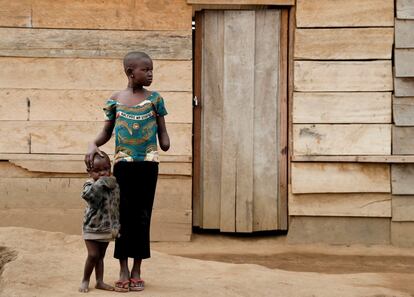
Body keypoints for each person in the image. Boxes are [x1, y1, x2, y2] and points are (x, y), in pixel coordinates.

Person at [84, 51, 170, 292]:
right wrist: (93, 144)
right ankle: (122, 267)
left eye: (152, 69)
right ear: (131, 72)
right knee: (121, 216)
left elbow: (162, 129)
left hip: (149, 165)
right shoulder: (115, 100)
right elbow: (106, 132)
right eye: (146, 70)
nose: (151, 73)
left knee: (143, 216)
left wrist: (164, 139)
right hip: (123, 165)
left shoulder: (155, 99)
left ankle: (137, 269)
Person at [79, 151, 120, 293]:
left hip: (107, 228)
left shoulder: (114, 184)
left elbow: (115, 206)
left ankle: (99, 281)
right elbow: (90, 197)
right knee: (93, 255)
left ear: (110, 167)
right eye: (97, 171)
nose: (102, 173)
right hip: (91, 227)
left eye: (106, 169)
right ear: (89, 172)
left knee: (100, 257)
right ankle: (85, 280)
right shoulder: (89, 184)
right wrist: (101, 183)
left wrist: (116, 225)